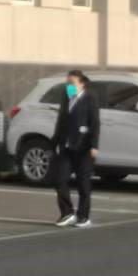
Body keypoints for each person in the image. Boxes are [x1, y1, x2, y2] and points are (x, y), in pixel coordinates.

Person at [53, 69, 100, 229]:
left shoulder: (90, 97)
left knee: (83, 183)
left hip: (83, 147)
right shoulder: (67, 96)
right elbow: (61, 120)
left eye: (72, 83)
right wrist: (55, 142)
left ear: (82, 83)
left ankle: (83, 216)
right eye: (67, 83)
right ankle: (67, 213)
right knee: (60, 180)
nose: (69, 86)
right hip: (66, 146)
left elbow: (95, 122)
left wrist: (94, 145)